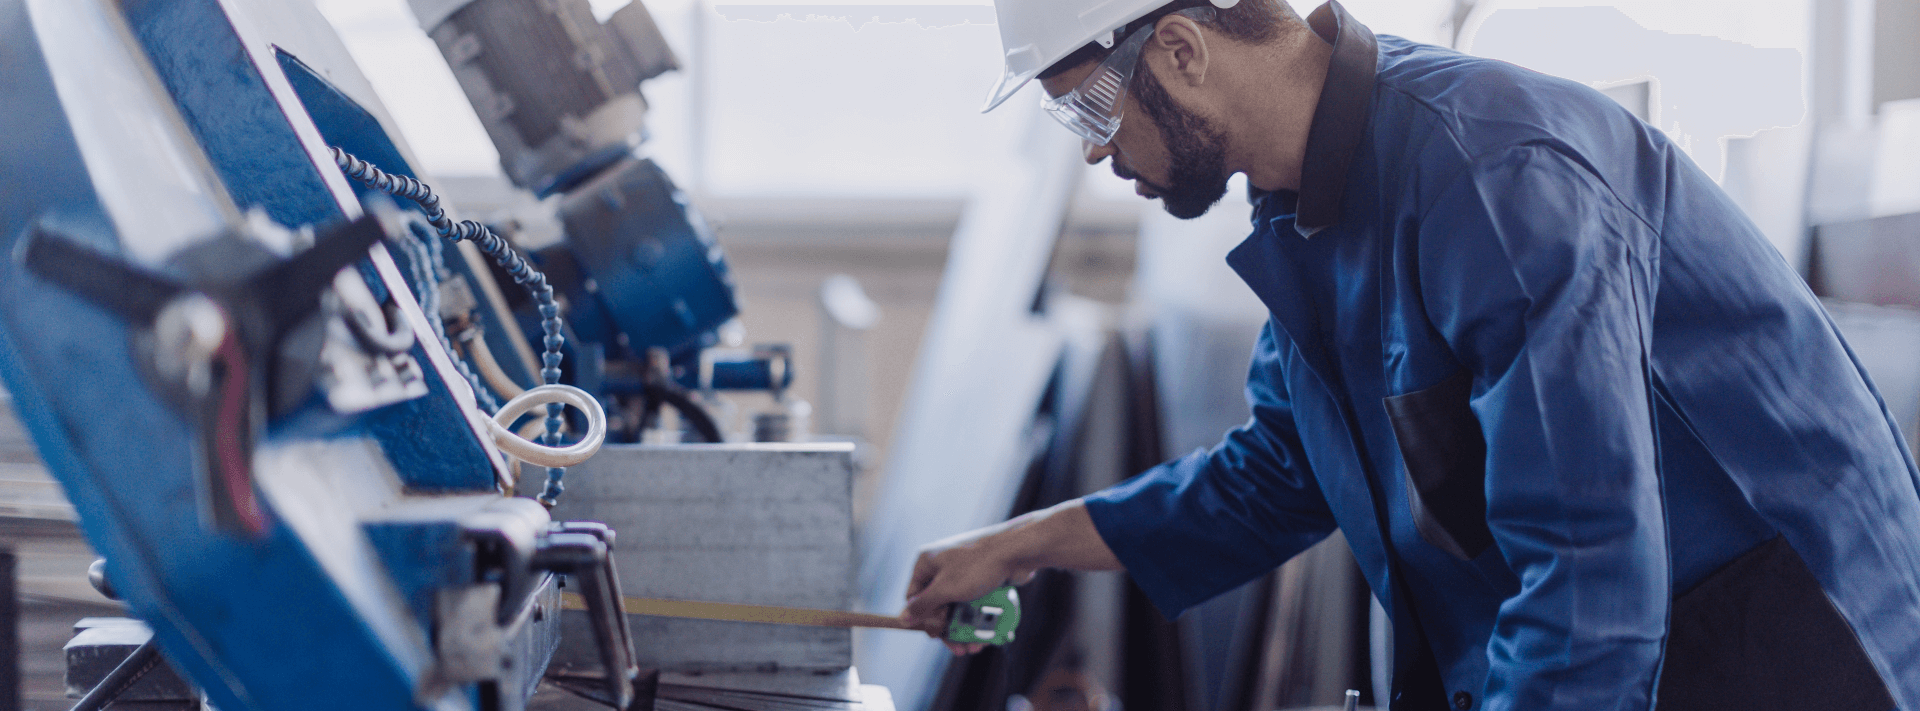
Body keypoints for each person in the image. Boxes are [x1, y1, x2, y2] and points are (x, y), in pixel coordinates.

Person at [895, 1, 1920, 709]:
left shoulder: (1494, 174)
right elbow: (1278, 475)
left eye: (1085, 106)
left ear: (1179, 50)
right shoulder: (1306, 207)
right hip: (1620, 652)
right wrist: (1021, 544)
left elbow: (1589, 569)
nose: (1086, 146)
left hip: (1772, 652)